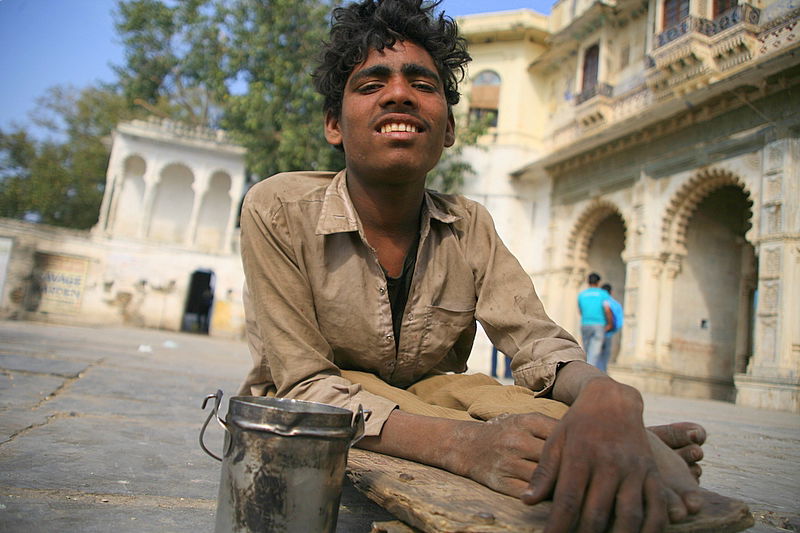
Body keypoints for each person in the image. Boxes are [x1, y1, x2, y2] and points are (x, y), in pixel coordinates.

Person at [239, 1, 707, 531]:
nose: (399, 94)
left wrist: (604, 397)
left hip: (430, 396)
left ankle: (610, 440)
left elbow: (536, 344)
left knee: (484, 393)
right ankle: (593, 448)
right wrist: (470, 446)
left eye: (423, 83)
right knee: (470, 411)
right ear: (334, 125)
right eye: (371, 85)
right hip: (311, 414)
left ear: (449, 129)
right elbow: (303, 384)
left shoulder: (470, 224)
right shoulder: (276, 208)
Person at [577, 272, 613, 370]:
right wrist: (610, 323)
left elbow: (580, 310)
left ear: (588, 282)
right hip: (599, 324)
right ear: (598, 282)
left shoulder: (582, 294)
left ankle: (585, 368)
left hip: (585, 324)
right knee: (595, 351)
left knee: (587, 349)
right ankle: (588, 371)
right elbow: (607, 309)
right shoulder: (603, 294)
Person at [598, 283, 624, 372]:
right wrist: (611, 330)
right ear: (611, 292)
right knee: (604, 355)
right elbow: (620, 321)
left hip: (597, 330)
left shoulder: (599, 301)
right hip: (608, 333)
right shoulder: (615, 304)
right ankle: (602, 372)